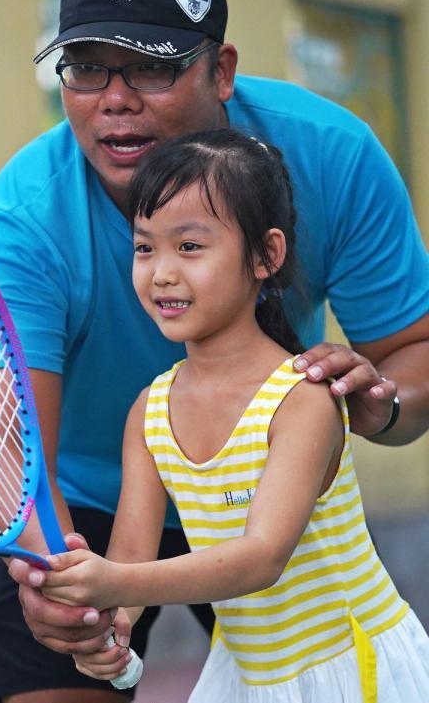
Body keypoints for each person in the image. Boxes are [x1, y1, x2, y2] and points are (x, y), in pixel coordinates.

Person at [0, 0, 429, 703]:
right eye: (85, 66)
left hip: (263, 488)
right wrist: (59, 577)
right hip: (76, 505)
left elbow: (412, 358)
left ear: (223, 71)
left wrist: (385, 403)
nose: (114, 96)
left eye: (150, 64)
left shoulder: (330, 155)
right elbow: (5, 447)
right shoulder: (19, 226)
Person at [31, 128, 429, 702]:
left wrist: (114, 580)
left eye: (189, 246)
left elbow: (261, 558)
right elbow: (130, 564)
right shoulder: (150, 411)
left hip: (353, 673)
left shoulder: (301, 397)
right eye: (144, 247)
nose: (161, 272)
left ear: (267, 254)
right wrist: (110, 618)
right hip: (245, 680)